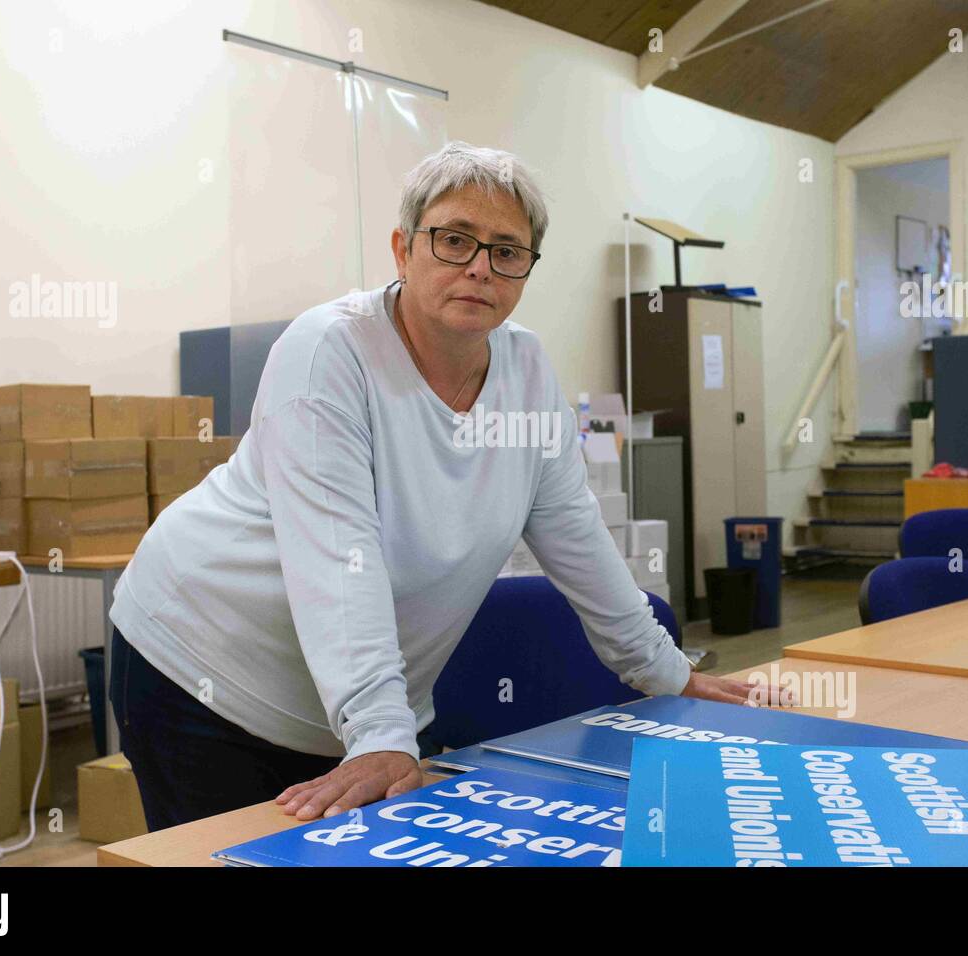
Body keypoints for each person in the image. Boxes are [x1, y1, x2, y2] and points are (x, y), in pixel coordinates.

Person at [107, 141, 783, 831]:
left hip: (353, 706)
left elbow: (574, 532)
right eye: (454, 240)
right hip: (201, 666)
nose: (479, 268)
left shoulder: (526, 369)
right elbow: (340, 559)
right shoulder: (328, 355)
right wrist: (379, 736)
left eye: (506, 251)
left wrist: (666, 672)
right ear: (404, 250)